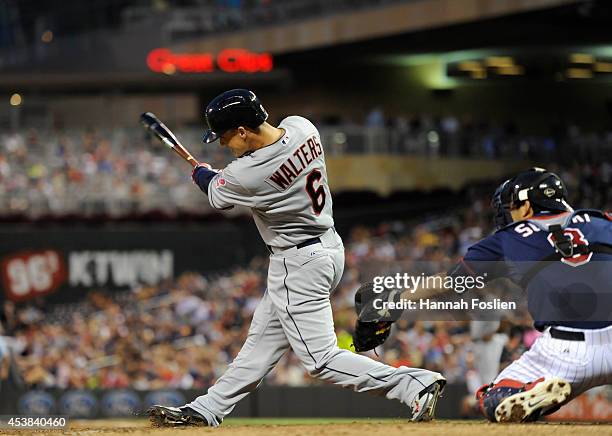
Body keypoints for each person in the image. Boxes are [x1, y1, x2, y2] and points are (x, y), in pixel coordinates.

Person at [147, 89, 446, 427]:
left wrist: (201, 172)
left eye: (225, 136)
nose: (222, 144)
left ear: (243, 131)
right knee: (261, 342)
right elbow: (232, 178)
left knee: (321, 359)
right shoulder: (303, 128)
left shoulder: (248, 172)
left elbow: (217, 194)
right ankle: (208, 408)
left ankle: (414, 384)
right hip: (329, 246)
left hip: (298, 262)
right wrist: (213, 174)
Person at [357, 167, 612, 422]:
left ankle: (528, 390)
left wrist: (396, 300)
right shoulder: (602, 220)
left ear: (526, 204)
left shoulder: (507, 238)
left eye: (512, 206)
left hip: (564, 349)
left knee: (494, 398)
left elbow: (449, 282)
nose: (509, 213)